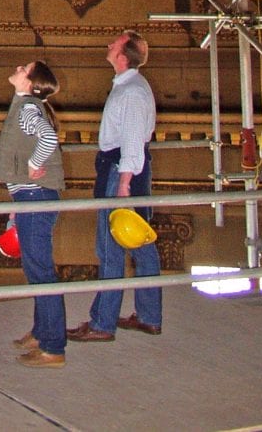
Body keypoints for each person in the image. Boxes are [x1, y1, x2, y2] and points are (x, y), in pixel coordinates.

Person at [67, 31, 162, 342]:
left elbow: (132, 140)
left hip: (122, 170)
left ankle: (102, 323)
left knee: (110, 247)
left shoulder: (132, 91)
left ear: (124, 55)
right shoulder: (129, 86)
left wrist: (123, 183)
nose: (108, 45)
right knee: (140, 241)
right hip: (125, 168)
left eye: (115, 43)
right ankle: (148, 316)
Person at [0, 60, 66, 368]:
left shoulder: (27, 110)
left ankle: (52, 348)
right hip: (28, 197)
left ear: (31, 84)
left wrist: (35, 164)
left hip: (35, 196)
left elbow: (48, 139)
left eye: (25, 69)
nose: (19, 67)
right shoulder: (26, 106)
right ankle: (42, 332)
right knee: (37, 269)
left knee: (41, 272)